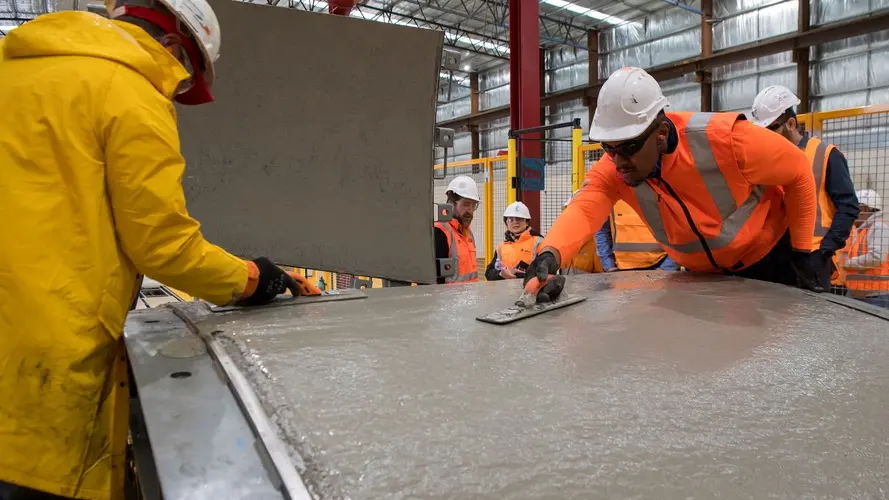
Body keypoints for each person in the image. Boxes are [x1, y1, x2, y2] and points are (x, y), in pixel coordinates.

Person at [0, 2, 321, 499]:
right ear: (172, 47)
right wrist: (258, 279)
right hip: (39, 366)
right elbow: (164, 247)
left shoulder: (16, 66)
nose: (173, 86)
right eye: (182, 75)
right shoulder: (129, 91)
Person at [523, 66, 822, 299]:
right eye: (608, 148)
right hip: (702, 277)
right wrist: (550, 253)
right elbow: (584, 210)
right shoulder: (616, 168)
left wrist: (802, 253)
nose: (617, 160)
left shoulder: (729, 141)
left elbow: (798, 173)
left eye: (628, 147)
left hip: (769, 261)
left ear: (661, 134)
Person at [749, 85, 859, 290]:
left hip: (811, 259)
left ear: (790, 123)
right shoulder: (763, 160)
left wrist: (825, 250)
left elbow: (848, 207)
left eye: (771, 129)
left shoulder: (825, 155)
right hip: (769, 258)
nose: (764, 137)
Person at [595, 200, 680, 272]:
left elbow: (682, 233)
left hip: (661, 265)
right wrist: (609, 265)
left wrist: (667, 268)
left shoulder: (664, 191)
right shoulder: (611, 195)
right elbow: (602, 231)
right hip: (621, 270)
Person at [842, 189, 889, 308]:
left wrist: (847, 263)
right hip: (857, 293)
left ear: (863, 209)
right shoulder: (861, 229)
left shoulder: (879, 227)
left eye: (854, 208)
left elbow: (876, 258)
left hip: (875, 297)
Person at [435, 175, 479, 284]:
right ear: (451, 203)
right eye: (466, 204)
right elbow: (431, 281)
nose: (470, 210)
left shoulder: (468, 234)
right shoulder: (439, 233)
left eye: (473, 205)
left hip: (471, 299)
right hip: (448, 300)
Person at [485, 202, 543, 280]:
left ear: (527, 222)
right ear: (506, 223)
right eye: (511, 219)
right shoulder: (501, 247)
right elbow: (488, 274)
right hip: (506, 291)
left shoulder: (538, 242)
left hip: (530, 290)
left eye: (519, 218)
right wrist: (501, 274)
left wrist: (521, 274)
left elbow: (545, 270)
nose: (515, 222)